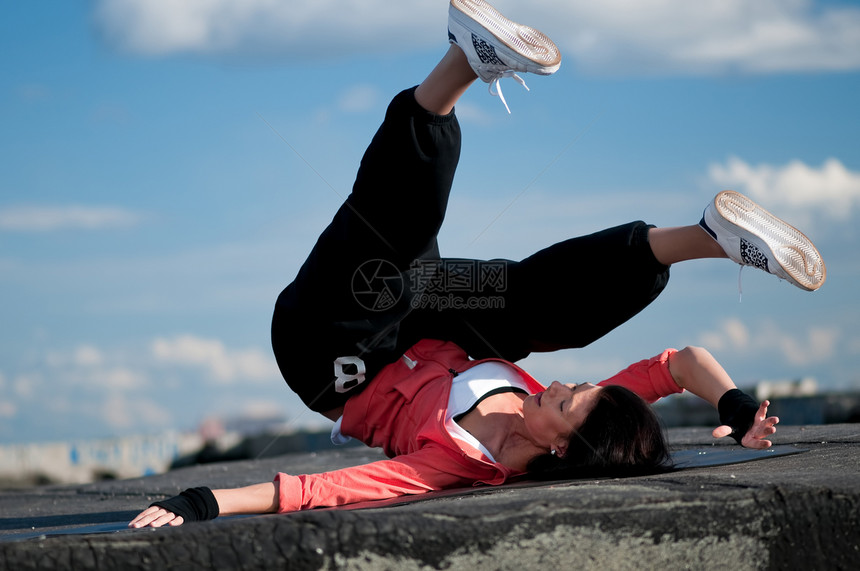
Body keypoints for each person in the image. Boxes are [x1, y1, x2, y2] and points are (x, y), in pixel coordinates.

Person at [130, 0, 825, 528]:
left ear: (559, 449)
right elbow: (678, 364)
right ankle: (710, 236)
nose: (558, 383)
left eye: (565, 397)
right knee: (529, 301)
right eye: (575, 385)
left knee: (389, 257)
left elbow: (324, 491)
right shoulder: (597, 422)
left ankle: (452, 72)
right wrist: (734, 406)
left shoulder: (453, 464)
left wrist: (200, 501)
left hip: (337, 352)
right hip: (437, 315)